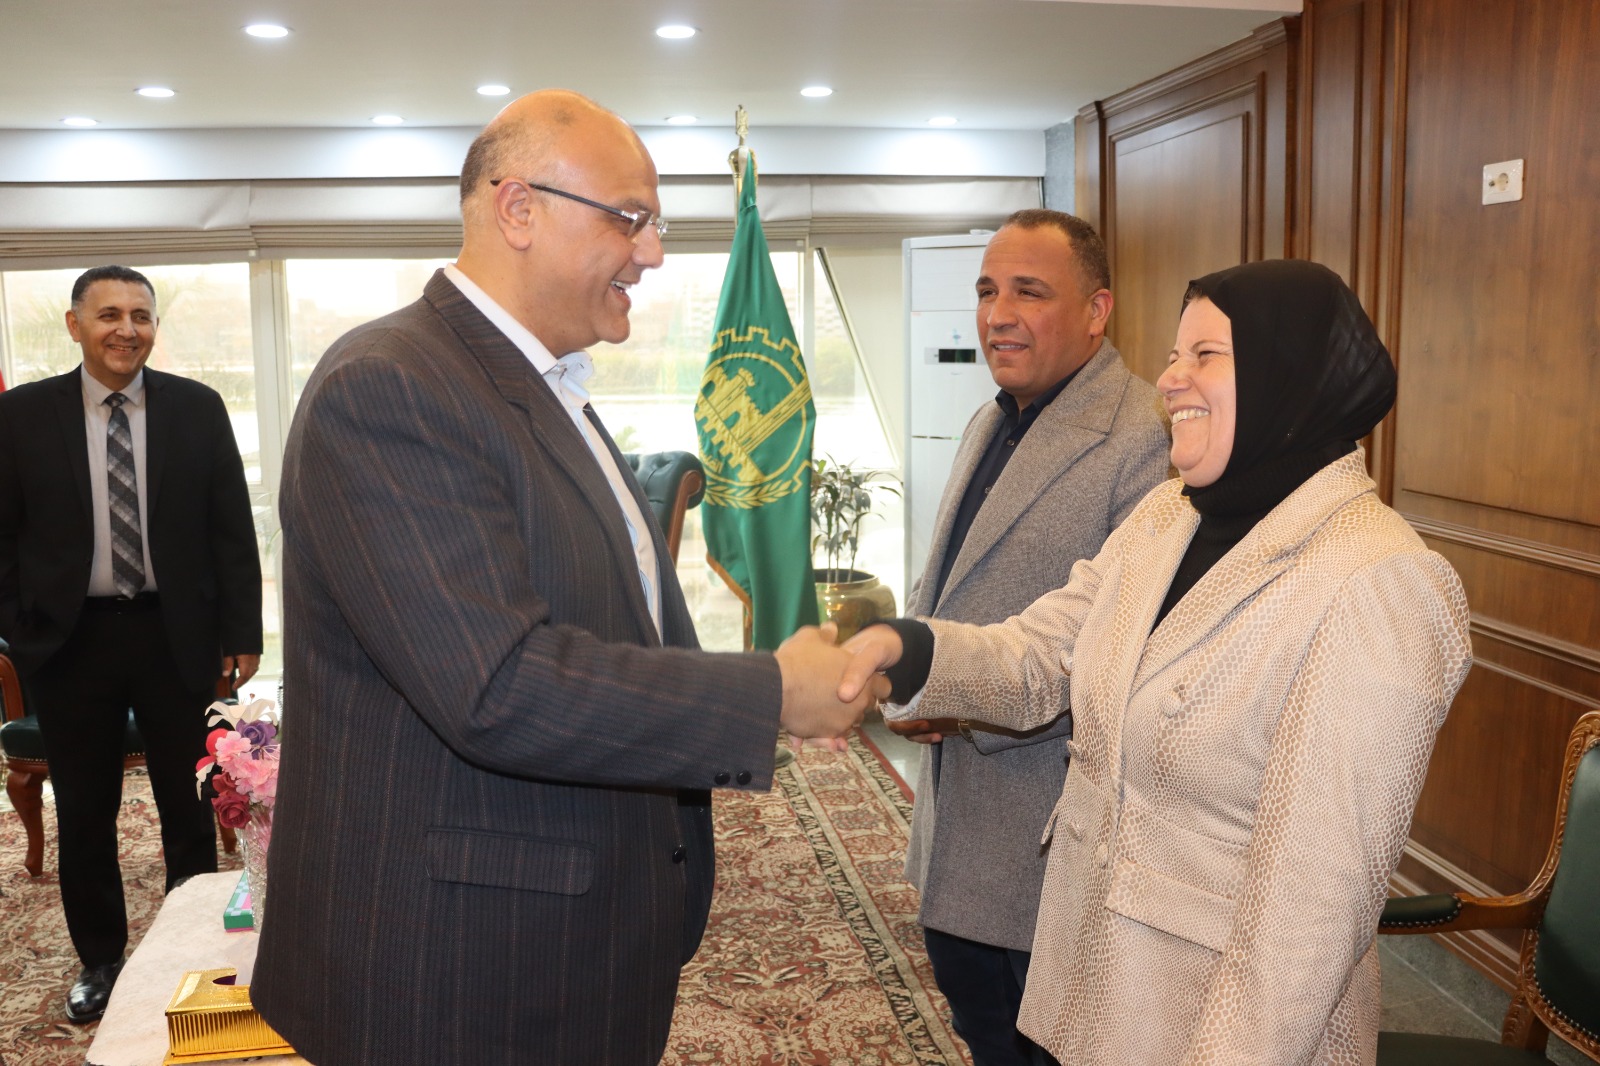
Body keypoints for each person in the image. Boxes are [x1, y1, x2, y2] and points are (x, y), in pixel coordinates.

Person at [250, 90, 880, 1066]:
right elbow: (496, 685)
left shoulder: (548, 388)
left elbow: (612, 628)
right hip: (455, 974)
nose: (653, 252)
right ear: (518, 210)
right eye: (630, 218)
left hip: (568, 941)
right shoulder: (389, 384)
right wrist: (770, 692)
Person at [841, 259, 1472, 1064]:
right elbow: (1042, 655)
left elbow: (1309, 915)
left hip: (1220, 1031)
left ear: (1289, 376)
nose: (1170, 379)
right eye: (1175, 355)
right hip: (1088, 994)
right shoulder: (1168, 516)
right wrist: (905, 648)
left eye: (1206, 355)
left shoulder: (1381, 581)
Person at [892, 210, 1167, 1066]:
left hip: (1043, 842)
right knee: (983, 1032)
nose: (997, 315)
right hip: (959, 825)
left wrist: (953, 701)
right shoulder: (993, 417)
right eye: (986, 291)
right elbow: (948, 579)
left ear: (1097, 311)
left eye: (1029, 292)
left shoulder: (1146, 437)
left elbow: (1124, 656)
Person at [0, 265, 262, 1022]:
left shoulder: (197, 407)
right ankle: (102, 960)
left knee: (189, 806)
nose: (127, 328)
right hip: (68, 643)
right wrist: (21, 626)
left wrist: (241, 632)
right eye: (109, 314)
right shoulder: (20, 415)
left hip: (175, 635)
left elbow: (230, 527)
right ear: (74, 324)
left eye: (141, 315)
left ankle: (192, 954)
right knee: (86, 811)